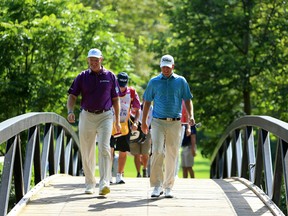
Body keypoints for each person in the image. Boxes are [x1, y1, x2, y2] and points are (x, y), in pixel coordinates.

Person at [67, 48, 121, 196]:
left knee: (104, 148)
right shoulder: (82, 76)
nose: (94, 62)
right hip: (87, 116)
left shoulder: (110, 76)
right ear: (88, 60)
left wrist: (117, 121)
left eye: (96, 60)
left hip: (105, 116)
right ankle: (90, 182)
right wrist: (70, 111)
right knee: (87, 150)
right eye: (91, 60)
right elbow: (72, 96)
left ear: (101, 60)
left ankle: (104, 183)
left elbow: (116, 100)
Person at [141, 54, 195, 198]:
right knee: (158, 151)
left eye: (168, 66)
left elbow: (188, 100)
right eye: (163, 66)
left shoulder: (181, 81)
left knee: (172, 154)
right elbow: (146, 102)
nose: (165, 69)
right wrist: (144, 122)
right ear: (160, 66)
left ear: (173, 66)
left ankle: (169, 186)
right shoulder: (154, 81)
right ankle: (157, 186)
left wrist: (191, 116)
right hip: (157, 121)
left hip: (175, 122)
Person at [110, 72, 141, 184]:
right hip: (110, 123)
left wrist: (136, 122)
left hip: (124, 125)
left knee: (123, 150)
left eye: (123, 85)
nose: (121, 87)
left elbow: (138, 110)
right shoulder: (111, 89)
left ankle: (119, 175)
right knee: (110, 150)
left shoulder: (131, 92)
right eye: (120, 84)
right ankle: (108, 175)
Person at [130, 103, 153, 178]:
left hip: (146, 131)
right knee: (136, 153)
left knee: (145, 153)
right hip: (136, 131)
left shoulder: (152, 108)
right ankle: (138, 172)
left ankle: (144, 169)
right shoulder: (137, 107)